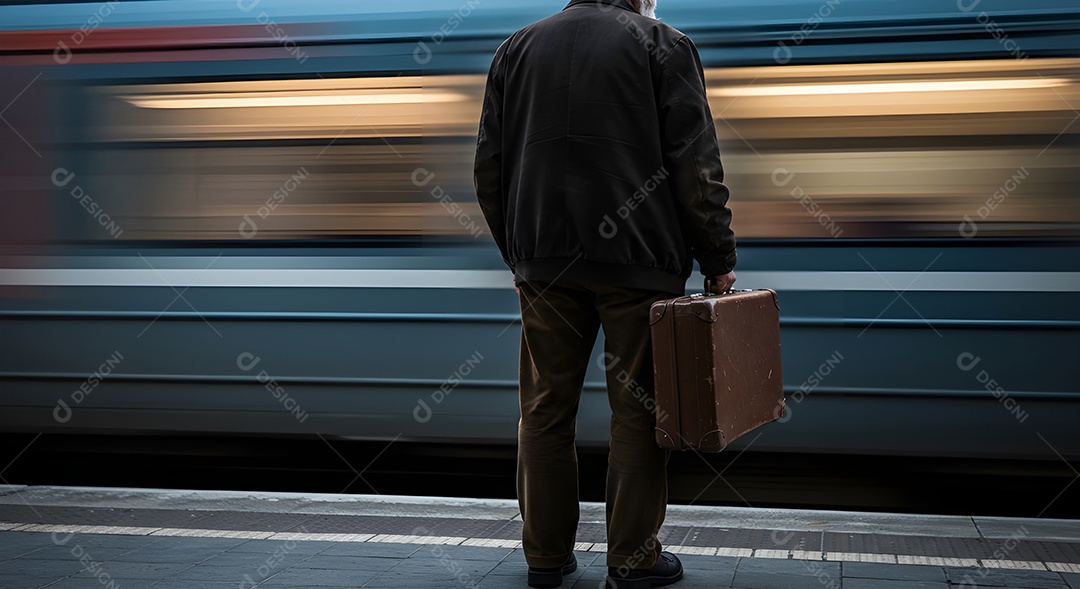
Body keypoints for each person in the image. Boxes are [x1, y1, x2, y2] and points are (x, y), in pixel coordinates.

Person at [473, 0, 736, 586]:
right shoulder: (663, 44)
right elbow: (696, 164)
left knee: (544, 409)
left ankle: (545, 557)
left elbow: (489, 167)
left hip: (545, 266)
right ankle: (633, 559)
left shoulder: (516, 49)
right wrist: (718, 258)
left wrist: (519, 255)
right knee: (639, 411)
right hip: (639, 265)